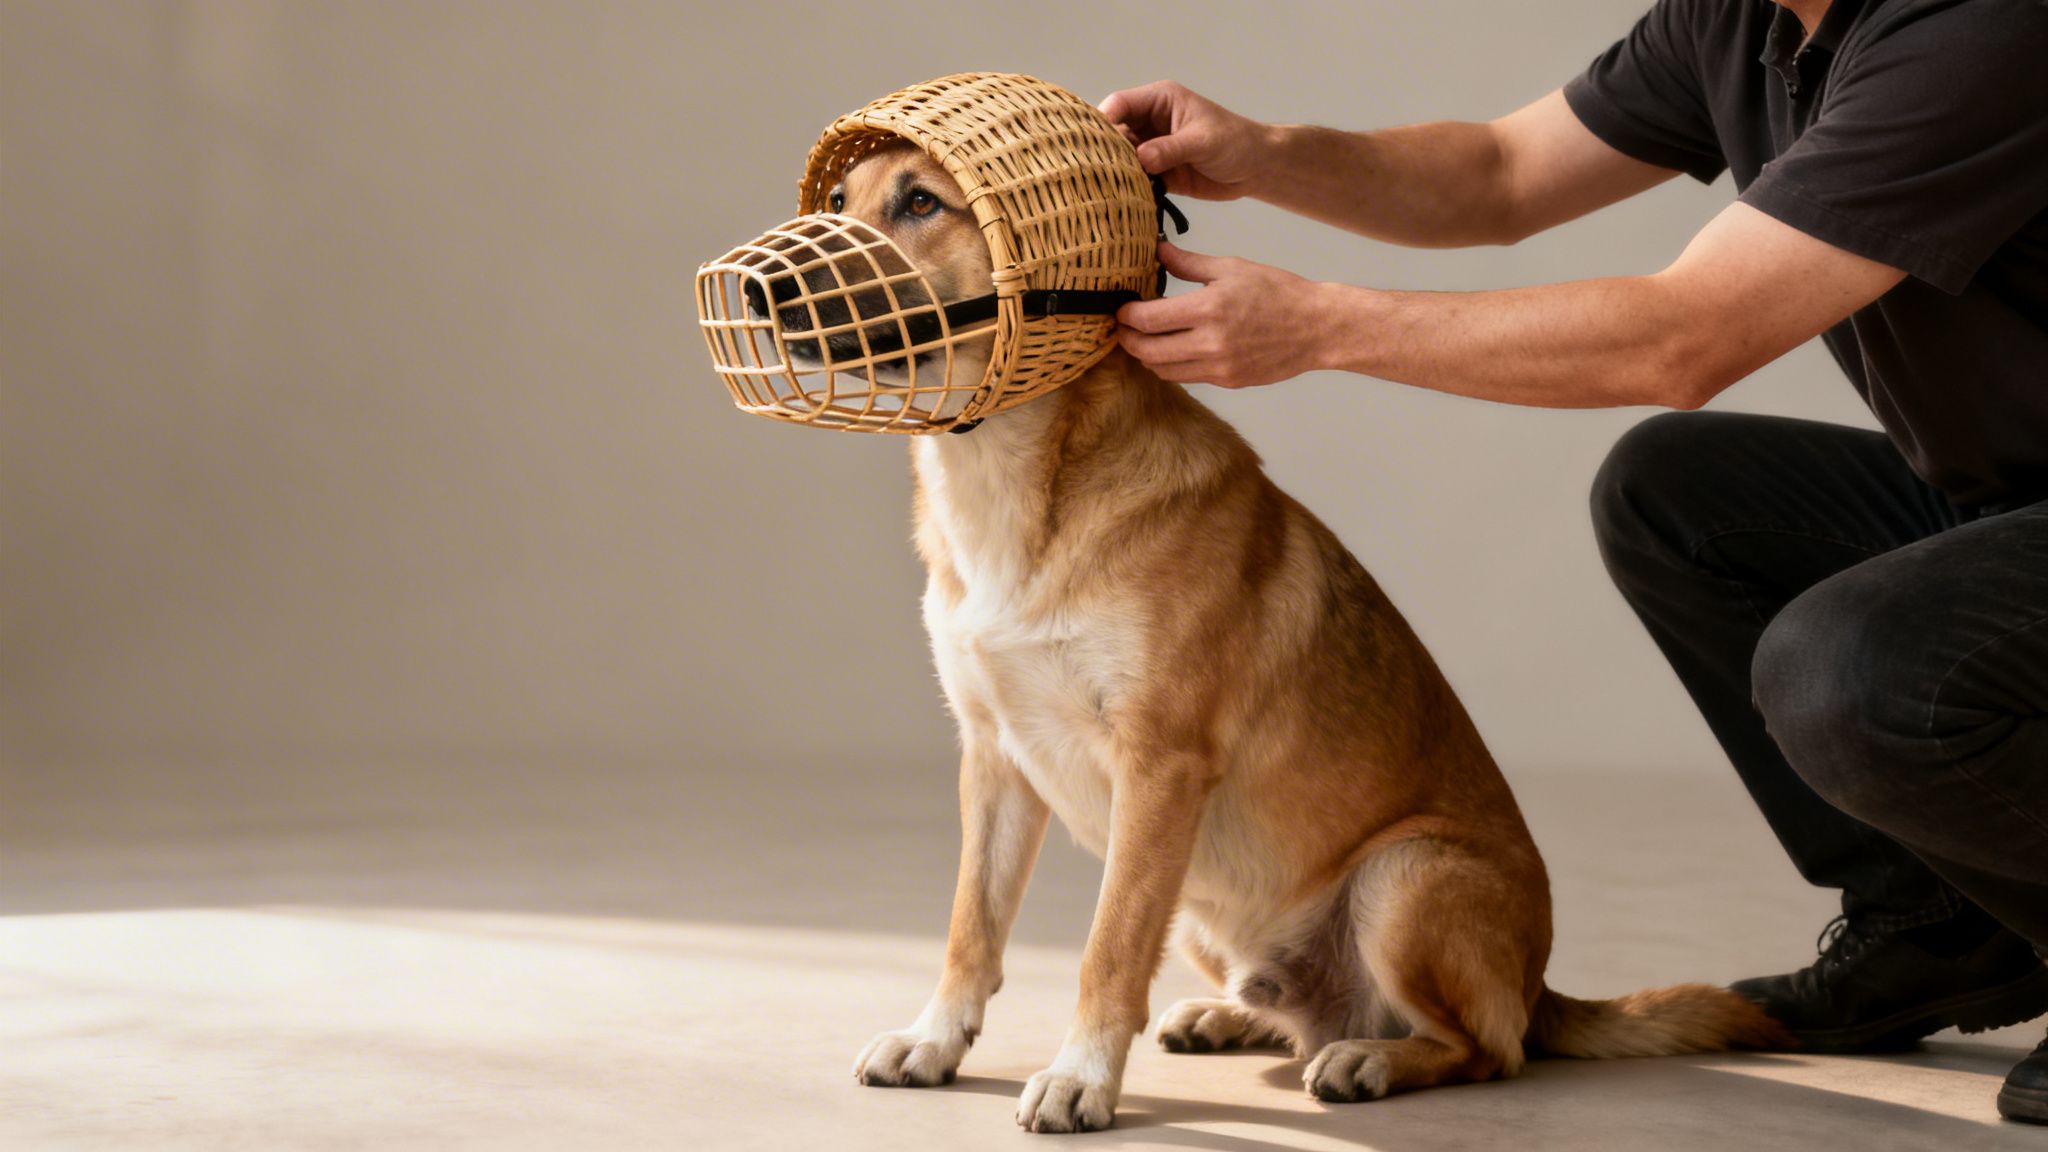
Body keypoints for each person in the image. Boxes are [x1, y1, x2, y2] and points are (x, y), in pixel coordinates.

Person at [1100, 0, 2048, 1124]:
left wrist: (1317, 328)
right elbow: (1498, 174)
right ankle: (1938, 926)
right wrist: (1260, 154)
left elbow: (1681, 335)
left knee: (1846, 666)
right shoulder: (1737, 19)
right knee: (1675, 494)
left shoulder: (1984, 31)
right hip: (2006, 504)